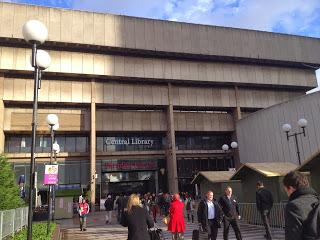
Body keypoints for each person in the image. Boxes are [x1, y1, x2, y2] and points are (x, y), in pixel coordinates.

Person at [283, 171, 319, 240]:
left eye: (286, 190)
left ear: (290, 188)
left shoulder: (293, 206)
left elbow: (292, 236)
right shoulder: (316, 200)